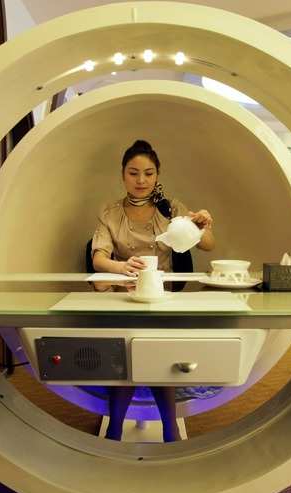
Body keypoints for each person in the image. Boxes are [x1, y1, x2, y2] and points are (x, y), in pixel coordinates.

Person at [91, 139, 215, 442]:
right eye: (134, 173)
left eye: (148, 173)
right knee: (124, 357)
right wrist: (121, 267)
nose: (141, 180)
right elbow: (98, 257)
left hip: (162, 296)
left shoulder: (172, 210)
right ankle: (116, 429)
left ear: (157, 175)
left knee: (162, 356)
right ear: (123, 175)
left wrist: (205, 225)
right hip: (125, 293)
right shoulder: (109, 213)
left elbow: (207, 245)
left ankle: (170, 430)